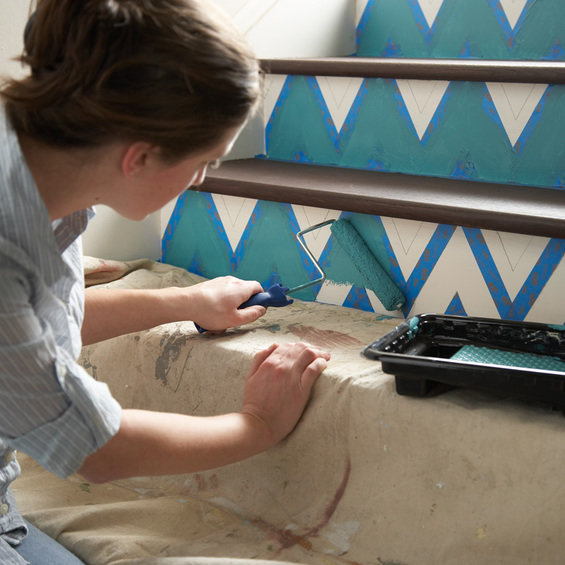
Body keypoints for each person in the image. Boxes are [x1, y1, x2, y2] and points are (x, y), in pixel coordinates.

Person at [0, 1, 331, 563]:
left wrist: (188, 301)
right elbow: (99, 451)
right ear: (141, 157)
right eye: (204, 161)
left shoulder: (43, 175)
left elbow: (30, 331)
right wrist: (257, 425)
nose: (200, 180)